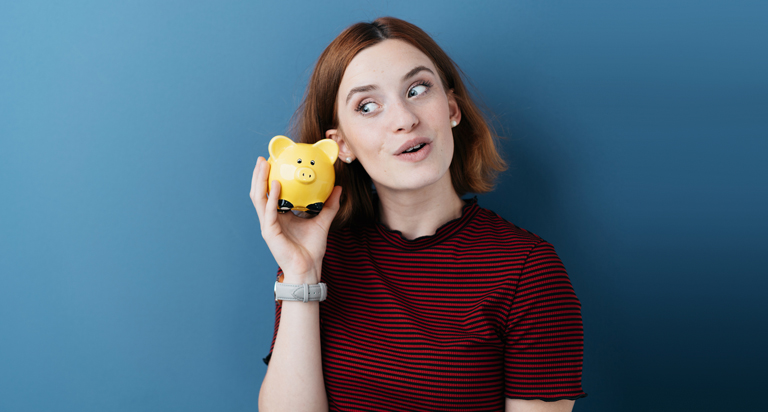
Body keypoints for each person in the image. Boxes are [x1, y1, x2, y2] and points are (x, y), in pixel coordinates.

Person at [250, 17, 586, 412]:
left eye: (417, 89)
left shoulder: (529, 272)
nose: (404, 119)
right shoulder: (322, 259)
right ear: (340, 146)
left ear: (451, 108)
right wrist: (302, 274)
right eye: (368, 106)